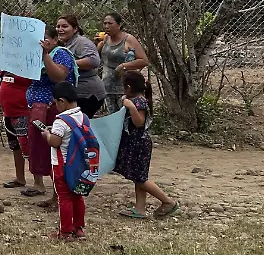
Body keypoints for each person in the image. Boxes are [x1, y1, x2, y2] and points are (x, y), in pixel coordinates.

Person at [115, 71, 179, 219]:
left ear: (129, 87)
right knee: (138, 176)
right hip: (135, 143)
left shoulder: (139, 102)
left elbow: (139, 122)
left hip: (138, 144)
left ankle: (167, 201)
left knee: (140, 178)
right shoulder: (136, 99)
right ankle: (140, 208)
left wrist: (131, 107)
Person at [27, 24, 76, 210]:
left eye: (46, 38)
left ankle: (59, 195)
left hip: (55, 108)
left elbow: (59, 76)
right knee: (38, 147)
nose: (41, 42)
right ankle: (42, 185)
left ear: (55, 40)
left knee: (58, 149)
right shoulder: (33, 54)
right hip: (38, 107)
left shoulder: (61, 53)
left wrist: (45, 55)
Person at [43, 81, 87, 241]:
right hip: (79, 165)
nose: (55, 106)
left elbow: (55, 142)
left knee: (64, 198)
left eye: (56, 102)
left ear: (62, 101)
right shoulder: (83, 116)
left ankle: (65, 232)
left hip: (61, 166)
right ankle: (78, 228)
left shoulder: (61, 120)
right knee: (77, 196)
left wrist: (47, 134)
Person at [97, 12, 149, 115]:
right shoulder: (106, 39)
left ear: (119, 25)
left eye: (110, 23)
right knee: (113, 119)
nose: (106, 26)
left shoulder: (128, 39)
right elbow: (99, 57)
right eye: (105, 23)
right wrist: (98, 44)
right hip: (108, 87)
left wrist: (124, 66)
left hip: (125, 89)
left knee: (126, 119)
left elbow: (144, 60)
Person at [56, 14, 106, 118]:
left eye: (65, 26)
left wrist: (68, 64)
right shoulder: (67, 43)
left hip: (88, 95)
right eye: (58, 26)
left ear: (75, 29)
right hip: (77, 93)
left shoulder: (81, 42)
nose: (60, 29)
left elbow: (94, 61)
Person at [0, 65, 33, 192]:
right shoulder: (7, 65)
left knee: (28, 147)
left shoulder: (29, 65)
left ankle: (38, 182)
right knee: (15, 146)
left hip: (22, 112)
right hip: (8, 112)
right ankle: (20, 177)